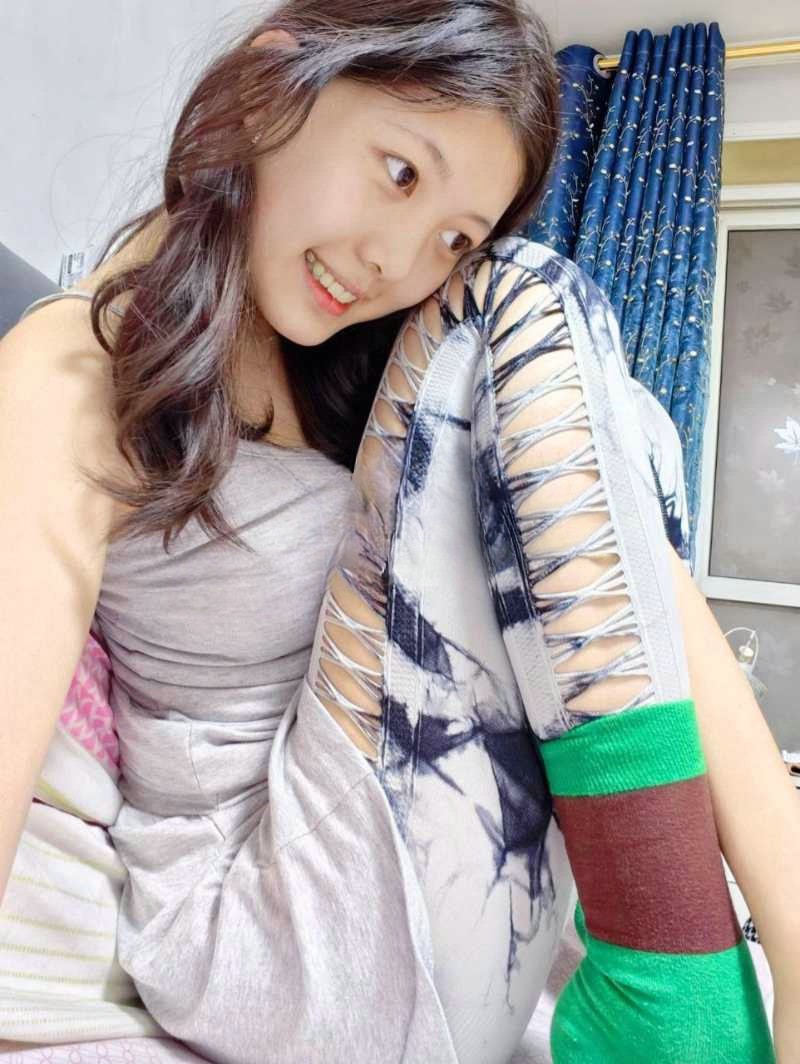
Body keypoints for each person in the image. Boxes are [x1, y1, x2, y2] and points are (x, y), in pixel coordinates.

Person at [0, 2, 795, 1062]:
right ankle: (679, 985)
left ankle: (728, 943)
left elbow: (633, 567)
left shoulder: (364, 370)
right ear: (269, 86)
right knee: (523, 296)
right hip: (281, 926)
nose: (395, 261)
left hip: (457, 872)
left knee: (622, 414)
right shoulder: (74, 367)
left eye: (452, 237)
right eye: (400, 172)